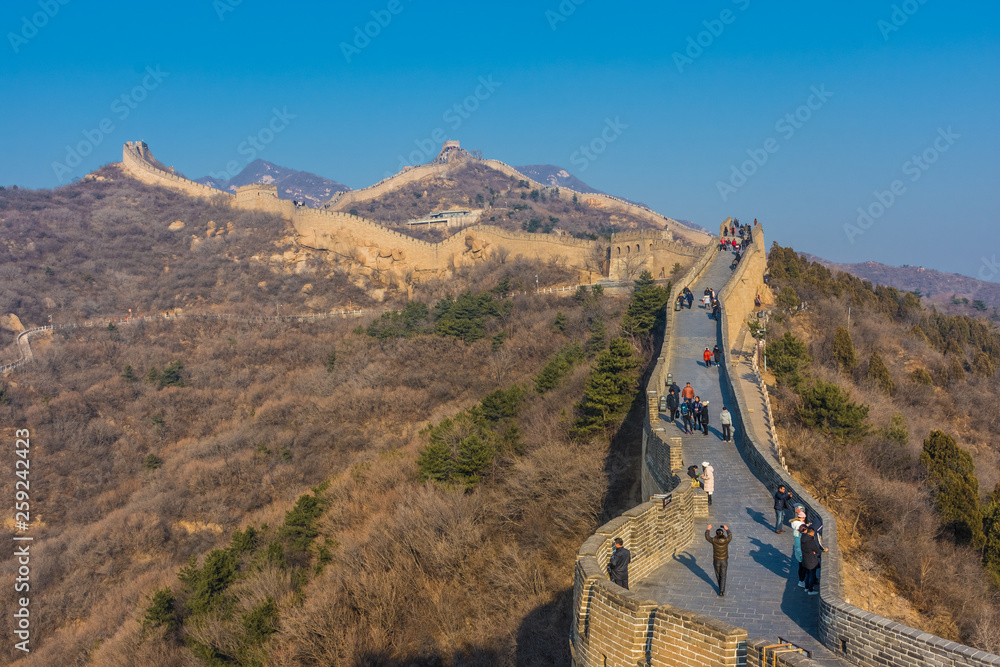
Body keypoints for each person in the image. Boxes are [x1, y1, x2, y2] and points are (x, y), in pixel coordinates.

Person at [705, 524, 732, 596]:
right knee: (723, 575)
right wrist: (727, 529)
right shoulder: (726, 540)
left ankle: (720, 588)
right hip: (724, 560)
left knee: (718, 574)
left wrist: (708, 529)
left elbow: (707, 537)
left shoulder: (714, 540)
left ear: (716, 534)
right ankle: (722, 590)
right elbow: (730, 536)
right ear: (723, 533)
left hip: (716, 560)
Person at [800, 527, 821, 595]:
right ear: (811, 533)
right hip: (811, 560)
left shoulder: (803, 538)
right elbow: (816, 549)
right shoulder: (810, 541)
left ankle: (806, 588)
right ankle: (810, 590)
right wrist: (815, 552)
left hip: (805, 559)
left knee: (807, 574)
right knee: (812, 574)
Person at [791, 510, 807, 588]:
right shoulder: (798, 537)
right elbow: (798, 546)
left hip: (800, 552)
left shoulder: (796, 526)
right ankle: (801, 581)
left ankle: (802, 580)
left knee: (801, 567)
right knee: (802, 567)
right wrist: (801, 554)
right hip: (800, 553)